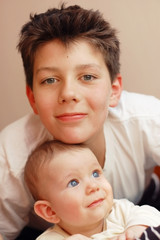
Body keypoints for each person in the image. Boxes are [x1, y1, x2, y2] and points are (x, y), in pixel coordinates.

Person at [0, 3, 160, 240]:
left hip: (137, 210)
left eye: (87, 76)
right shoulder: (10, 157)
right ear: (32, 98)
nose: (68, 93)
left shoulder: (145, 118)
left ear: (114, 90)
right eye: (50, 80)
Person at [24, 140, 160, 240]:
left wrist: (137, 227)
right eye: (73, 183)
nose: (93, 186)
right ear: (50, 211)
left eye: (95, 174)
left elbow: (150, 213)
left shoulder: (118, 210)